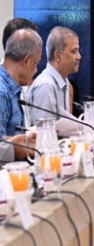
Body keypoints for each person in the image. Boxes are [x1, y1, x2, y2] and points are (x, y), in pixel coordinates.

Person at [28, 26, 83, 136]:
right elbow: (43, 135)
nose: (79, 56)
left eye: (78, 51)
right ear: (57, 55)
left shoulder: (65, 82)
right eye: (74, 51)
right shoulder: (45, 86)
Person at [0, 28, 41, 162]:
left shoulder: (11, 87)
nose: (36, 70)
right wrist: (13, 149)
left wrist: (27, 138)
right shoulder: (2, 92)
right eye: (36, 63)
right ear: (26, 61)